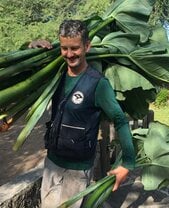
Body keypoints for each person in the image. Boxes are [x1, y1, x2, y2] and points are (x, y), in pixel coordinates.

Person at [29, 19, 135, 208]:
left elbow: (119, 119)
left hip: (77, 170)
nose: (69, 54)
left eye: (75, 48)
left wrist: (128, 163)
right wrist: (31, 47)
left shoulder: (98, 83)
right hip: (52, 163)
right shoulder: (55, 75)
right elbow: (25, 72)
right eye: (64, 48)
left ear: (87, 46)